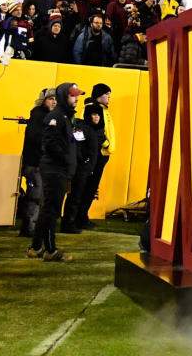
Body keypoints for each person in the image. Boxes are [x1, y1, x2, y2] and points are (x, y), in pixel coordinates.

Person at [28, 82, 82, 262]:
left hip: (59, 169)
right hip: (54, 170)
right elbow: (50, 144)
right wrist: (67, 159)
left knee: (48, 210)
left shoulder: (65, 116)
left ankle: (35, 247)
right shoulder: (57, 117)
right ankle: (50, 250)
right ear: (64, 97)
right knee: (52, 210)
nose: (76, 99)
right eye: (72, 95)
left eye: (77, 95)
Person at [18, 88, 58, 238]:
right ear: (43, 100)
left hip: (39, 163)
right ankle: (29, 228)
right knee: (35, 196)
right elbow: (37, 138)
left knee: (38, 196)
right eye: (50, 98)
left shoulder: (46, 115)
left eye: (55, 99)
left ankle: (31, 227)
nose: (54, 101)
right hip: (35, 163)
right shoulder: (38, 114)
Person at [76, 83, 114, 230]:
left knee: (90, 187)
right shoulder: (94, 109)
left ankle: (82, 216)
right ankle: (80, 218)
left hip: (100, 154)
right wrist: (106, 144)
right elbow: (91, 132)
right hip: (96, 154)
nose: (109, 96)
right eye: (107, 94)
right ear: (99, 95)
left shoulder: (102, 110)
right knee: (87, 187)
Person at [61, 102, 101, 234]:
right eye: (94, 114)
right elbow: (77, 146)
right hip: (81, 169)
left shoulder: (93, 130)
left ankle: (72, 222)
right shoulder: (83, 128)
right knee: (75, 196)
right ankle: (68, 223)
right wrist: (83, 160)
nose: (96, 117)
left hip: (86, 169)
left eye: (98, 115)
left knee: (78, 196)